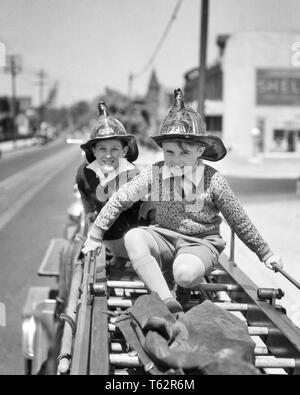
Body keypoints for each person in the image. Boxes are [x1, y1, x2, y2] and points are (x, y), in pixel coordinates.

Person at [82, 89, 283, 313]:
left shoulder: (214, 180)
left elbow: (239, 220)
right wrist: (95, 235)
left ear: (200, 150)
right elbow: (120, 199)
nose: (175, 160)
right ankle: (168, 300)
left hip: (200, 242)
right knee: (133, 237)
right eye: (169, 152)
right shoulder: (156, 172)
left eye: (184, 153)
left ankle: (182, 282)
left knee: (184, 274)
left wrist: (265, 253)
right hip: (163, 236)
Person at [77, 101, 154, 267]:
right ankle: (120, 254)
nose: (108, 155)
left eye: (114, 149)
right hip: (109, 236)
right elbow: (85, 195)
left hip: (138, 238)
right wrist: (90, 214)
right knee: (102, 218)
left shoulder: (133, 174)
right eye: (102, 149)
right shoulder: (84, 174)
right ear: (94, 151)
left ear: (125, 151)